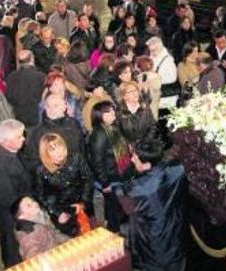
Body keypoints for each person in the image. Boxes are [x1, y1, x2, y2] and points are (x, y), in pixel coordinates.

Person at [114, 138, 186, 271]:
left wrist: (115, 186)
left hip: (152, 247)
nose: (132, 160)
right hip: (174, 237)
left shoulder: (138, 189)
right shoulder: (177, 170)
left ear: (146, 164)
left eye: (135, 158)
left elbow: (121, 197)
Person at [0, 120, 31, 268]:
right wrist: (29, 210)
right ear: (6, 141)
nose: (24, 138)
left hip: (17, 209)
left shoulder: (8, 151)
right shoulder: (0, 166)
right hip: (11, 218)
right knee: (13, 252)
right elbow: (8, 199)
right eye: (19, 137)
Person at [33, 133, 93, 236]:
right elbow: (42, 196)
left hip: (82, 205)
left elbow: (88, 179)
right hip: (62, 211)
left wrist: (83, 202)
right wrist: (58, 213)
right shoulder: (41, 170)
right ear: (45, 153)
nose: (58, 151)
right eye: (52, 149)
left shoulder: (76, 158)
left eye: (59, 146)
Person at [88, 101, 134, 232]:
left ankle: (122, 225)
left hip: (119, 173)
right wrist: (105, 183)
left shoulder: (112, 127)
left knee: (120, 204)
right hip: (110, 178)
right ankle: (114, 231)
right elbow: (96, 161)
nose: (113, 113)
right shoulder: (99, 134)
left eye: (113, 110)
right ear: (99, 115)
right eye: (108, 111)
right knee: (113, 206)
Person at [25, 93, 86, 171]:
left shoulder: (73, 123)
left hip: (77, 172)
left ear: (65, 107)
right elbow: (33, 160)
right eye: (48, 106)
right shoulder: (38, 133)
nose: (51, 109)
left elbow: (82, 149)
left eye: (55, 105)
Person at [13, 196, 69, 261]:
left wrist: (70, 242)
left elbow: (55, 233)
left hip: (59, 251)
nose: (35, 203)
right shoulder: (28, 235)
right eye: (29, 205)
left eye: (33, 201)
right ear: (22, 216)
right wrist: (58, 257)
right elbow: (33, 259)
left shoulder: (41, 216)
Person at [5, 50, 45, 128]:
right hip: (36, 115)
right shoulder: (40, 76)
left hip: (17, 115)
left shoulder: (10, 77)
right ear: (32, 59)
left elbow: (8, 96)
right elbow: (44, 96)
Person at [148, 37, 178, 108]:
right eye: (150, 50)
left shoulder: (168, 60)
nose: (152, 52)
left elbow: (173, 78)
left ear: (159, 48)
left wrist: (157, 78)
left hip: (167, 97)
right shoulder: (151, 58)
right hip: (156, 95)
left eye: (153, 50)